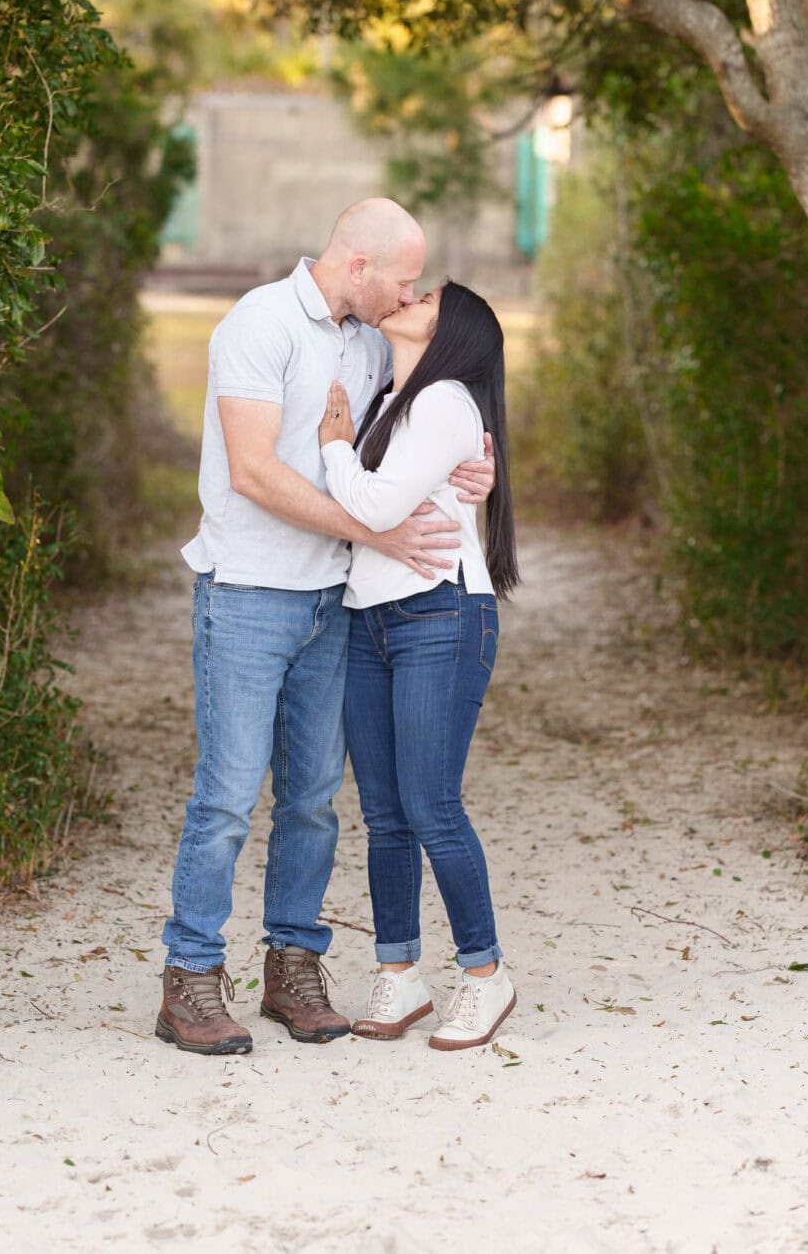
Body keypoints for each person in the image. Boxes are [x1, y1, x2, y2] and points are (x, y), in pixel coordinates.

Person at [156, 200, 494, 1057]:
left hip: (336, 602)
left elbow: (422, 420)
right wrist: (377, 532)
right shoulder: (258, 323)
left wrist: (473, 466)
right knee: (228, 797)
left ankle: (292, 964)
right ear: (357, 267)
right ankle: (191, 980)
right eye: (404, 279)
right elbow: (255, 471)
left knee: (312, 802)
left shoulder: (376, 340)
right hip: (248, 592)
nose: (410, 294)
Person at [318, 280, 519, 1051]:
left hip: (439, 614)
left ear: (454, 332)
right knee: (385, 814)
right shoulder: (390, 401)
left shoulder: (443, 403)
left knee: (430, 804)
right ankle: (399, 972)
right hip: (369, 616)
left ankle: (483, 974)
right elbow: (374, 509)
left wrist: (336, 447)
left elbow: (371, 509)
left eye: (425, 295)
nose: (407, 297)